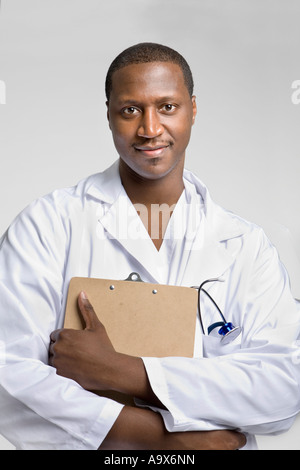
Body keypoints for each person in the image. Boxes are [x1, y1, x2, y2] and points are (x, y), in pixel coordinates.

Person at [0, 43, 299, 451]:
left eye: (167, 107)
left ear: (193, 109)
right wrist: (163, 440)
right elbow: (8, 376)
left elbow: (284, 388)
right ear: (108, 113)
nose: (150, 128)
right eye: (130, 110)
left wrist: (127, 372)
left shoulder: (244, 245)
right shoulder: (49, 225)